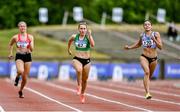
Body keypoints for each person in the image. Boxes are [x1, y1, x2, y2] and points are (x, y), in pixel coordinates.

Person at [124, 20, 163, 99]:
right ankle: (147, 93)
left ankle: (146, 88)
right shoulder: (142, 35)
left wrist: (154, 39)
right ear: (143, 26)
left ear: (151, 26)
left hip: (154, 59)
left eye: (149, 24)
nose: (147, 26)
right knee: (146, 72)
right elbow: (138, 44)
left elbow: (161, 47)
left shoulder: (156, 34)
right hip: (144, 57)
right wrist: (129, 47)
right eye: (145, 24)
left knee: (149, 77)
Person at [67, 22, 95, 103]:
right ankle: (79, 86)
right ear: (78, 29)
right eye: (81, 28)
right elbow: (69, 41)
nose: (82, 30)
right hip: (77, 59)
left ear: (86, 30)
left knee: (85, 80)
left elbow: (93, 45)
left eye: (84, 29)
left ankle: (82, 94)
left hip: (87, 60)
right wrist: (68, 49)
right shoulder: (74, 36)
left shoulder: (88, 37)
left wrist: (90, 35)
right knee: (79, 70)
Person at [8, 21, 34, 98]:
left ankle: (20, 90)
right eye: (21, 26)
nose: (22, 27)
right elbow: (10, 44)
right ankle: (17, 76)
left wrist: (30, 44)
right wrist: (10, 53)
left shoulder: (30, 37)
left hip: (28, 56)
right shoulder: (15, 37)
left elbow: (32, 49)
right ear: (19, 28)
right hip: (19, 56)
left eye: (24, 26)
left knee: (25, 78)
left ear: (26, 27)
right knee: (20, 71)